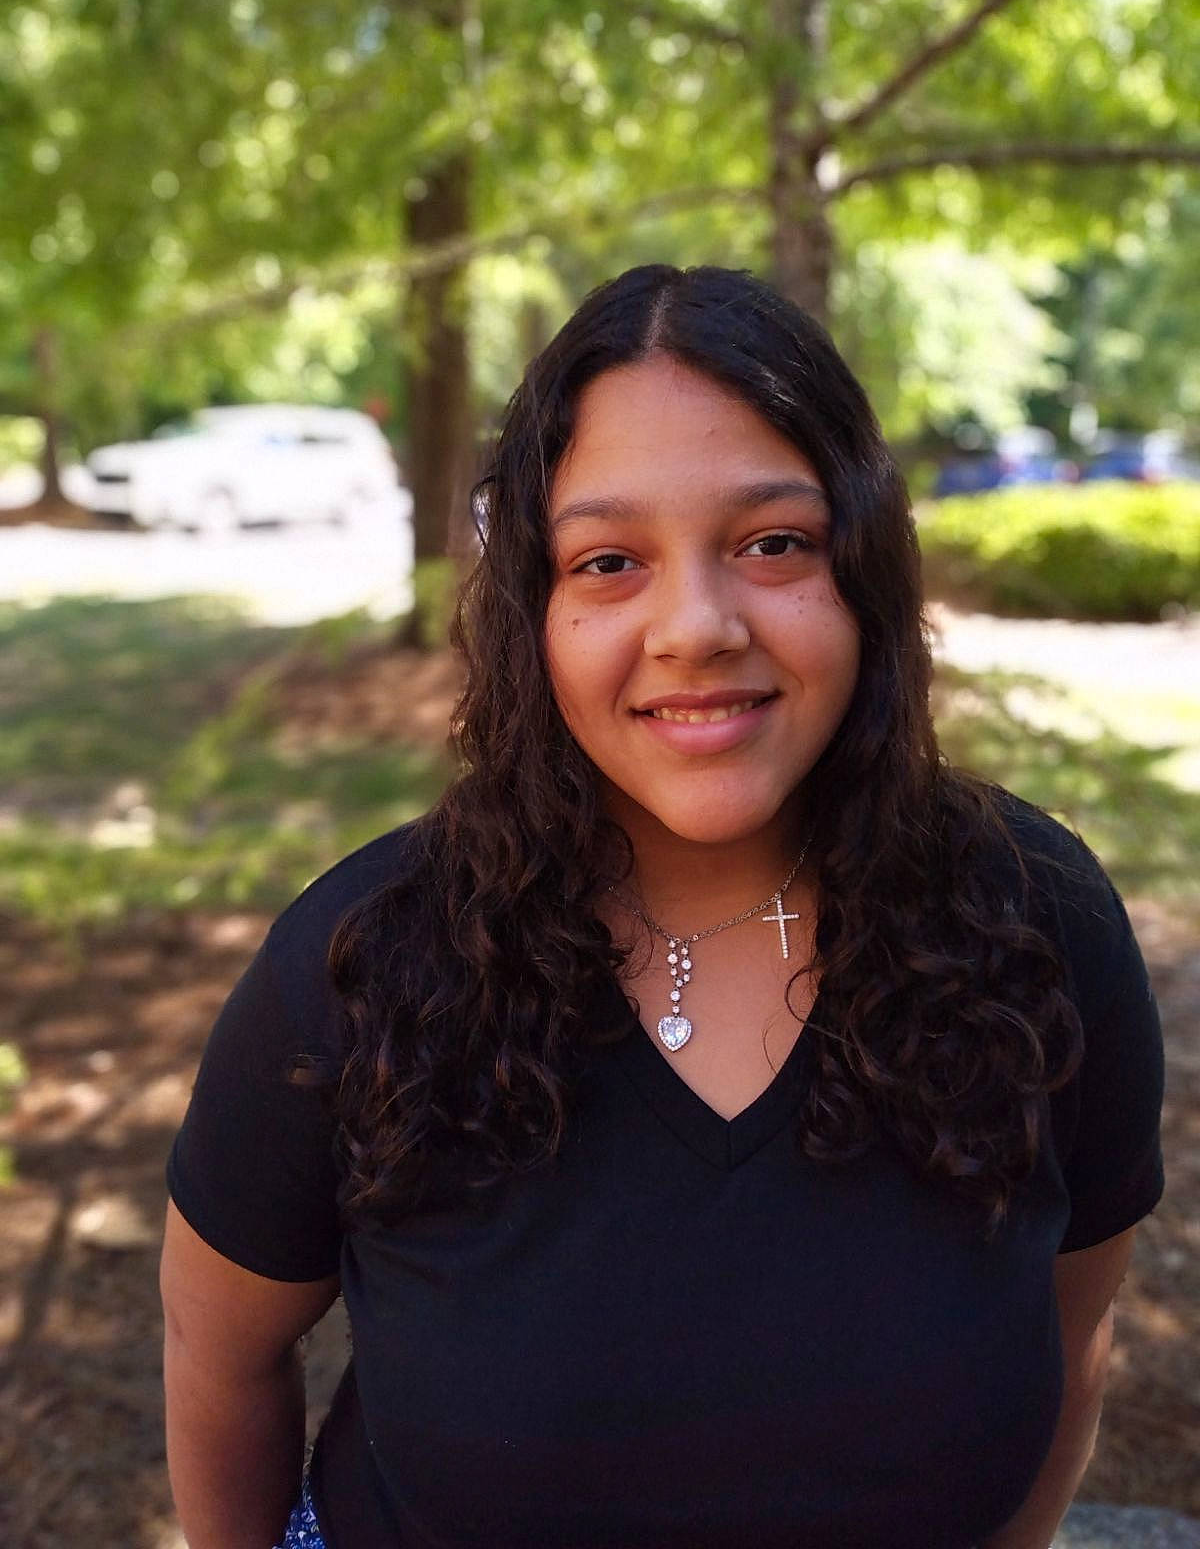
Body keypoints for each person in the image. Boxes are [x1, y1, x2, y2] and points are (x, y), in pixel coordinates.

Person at [160, 264, 1164, 1549]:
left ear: (862, 568)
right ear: (536, 607)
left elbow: (1075, 1340)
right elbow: (215, 1346)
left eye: (773, 543)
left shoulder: (1043, 928)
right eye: (611, 560)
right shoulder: (363, 962)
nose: (696, 625)